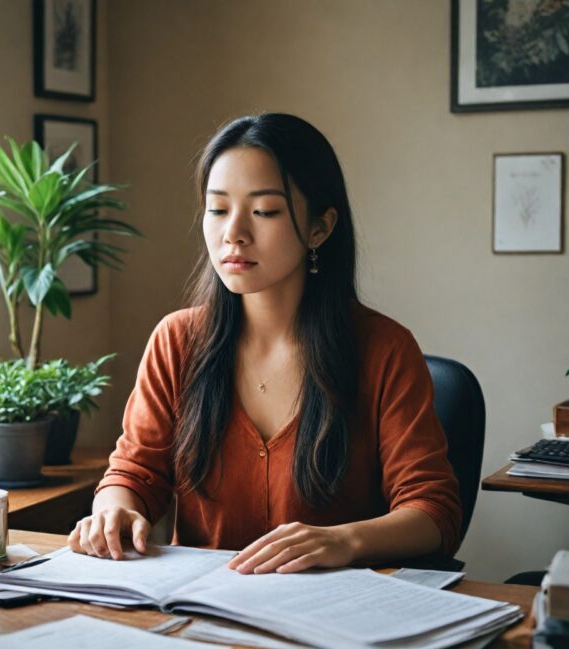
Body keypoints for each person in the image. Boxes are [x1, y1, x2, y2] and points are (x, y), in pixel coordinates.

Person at [68, 113, 461, 574]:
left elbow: (434, 510)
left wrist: (343, 541)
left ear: (320, 228)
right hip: (203, 612)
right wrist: (116, 508)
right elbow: (135, 474)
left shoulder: (384, 349)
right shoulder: (177, 342)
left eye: (264, 211)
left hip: (335, 616)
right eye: (217, 209)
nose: (233, 232)